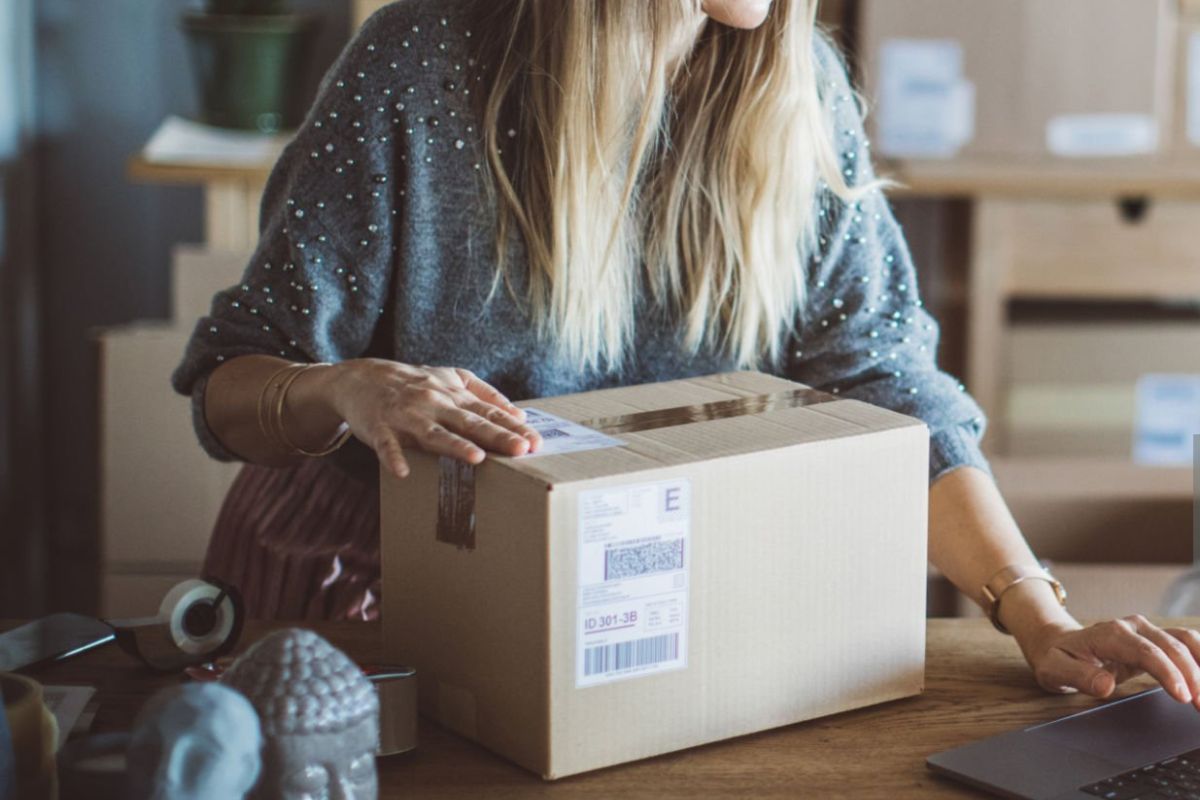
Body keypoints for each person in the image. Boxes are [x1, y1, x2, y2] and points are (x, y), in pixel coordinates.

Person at [173, 0, 1200, 708]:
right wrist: (346, 384)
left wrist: (1037, 615)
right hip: (372, 584)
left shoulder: (799, 99)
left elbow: (892, 394)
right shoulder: (418, 60)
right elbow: (228, 383)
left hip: (629, 597)